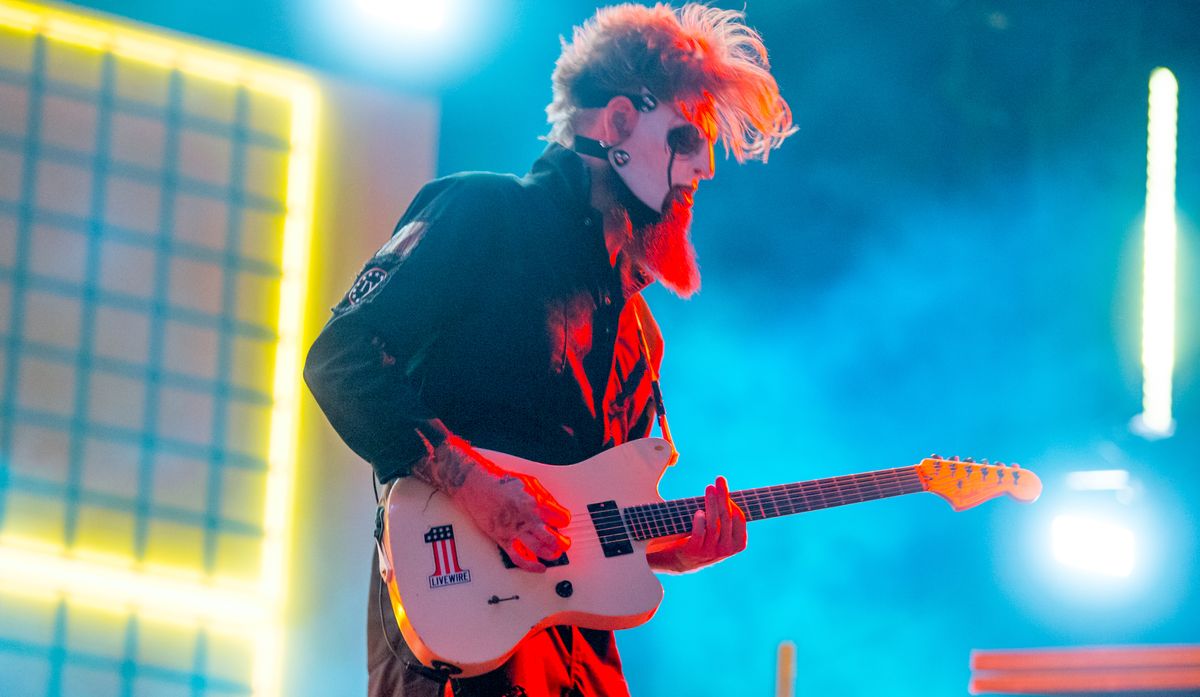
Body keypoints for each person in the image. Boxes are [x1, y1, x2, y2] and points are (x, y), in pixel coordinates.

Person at [304, 4, 794, 695]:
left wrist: (677, 548)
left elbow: (597, 514)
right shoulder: (481, 212)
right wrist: (475, 485)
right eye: (686, 139)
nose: (703, 169)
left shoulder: (640, 331)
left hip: (581, 661)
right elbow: (340, 358)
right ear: (620, 122)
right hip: (461, 644)